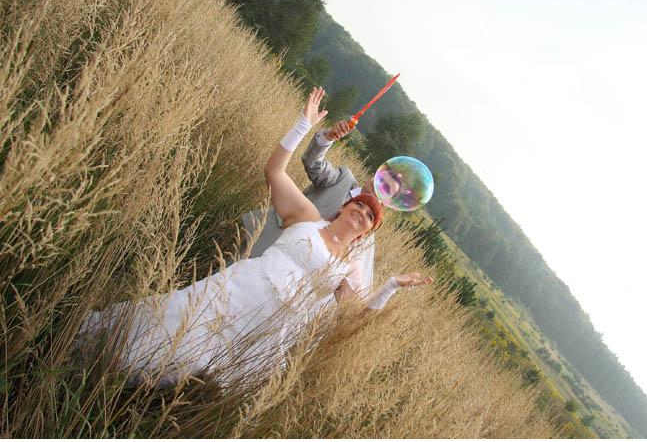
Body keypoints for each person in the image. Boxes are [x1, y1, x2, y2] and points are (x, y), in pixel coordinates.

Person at [77, 88, 432, 388]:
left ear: (369, 232)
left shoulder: (349, 265)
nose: (364, 212)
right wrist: (305, 126)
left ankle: (130, 393)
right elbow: (278, 169)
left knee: (196, 366)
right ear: (343, 207)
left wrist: (391, 287)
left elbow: (353, 316)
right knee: (175, 323)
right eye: (360, 205)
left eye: (372, 215)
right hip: (244, 280)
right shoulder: (314, 212)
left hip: (264, 325)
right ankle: (97, 361)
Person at [241, 106, 400, 299]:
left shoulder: (366, 232)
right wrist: (328, 138)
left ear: (389, 202)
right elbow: (313, 163)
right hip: (263, 240)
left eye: (387, 189)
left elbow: (344, 286)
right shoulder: (343, 179)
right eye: (381, 179)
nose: (379, 186)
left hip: (289, 288)